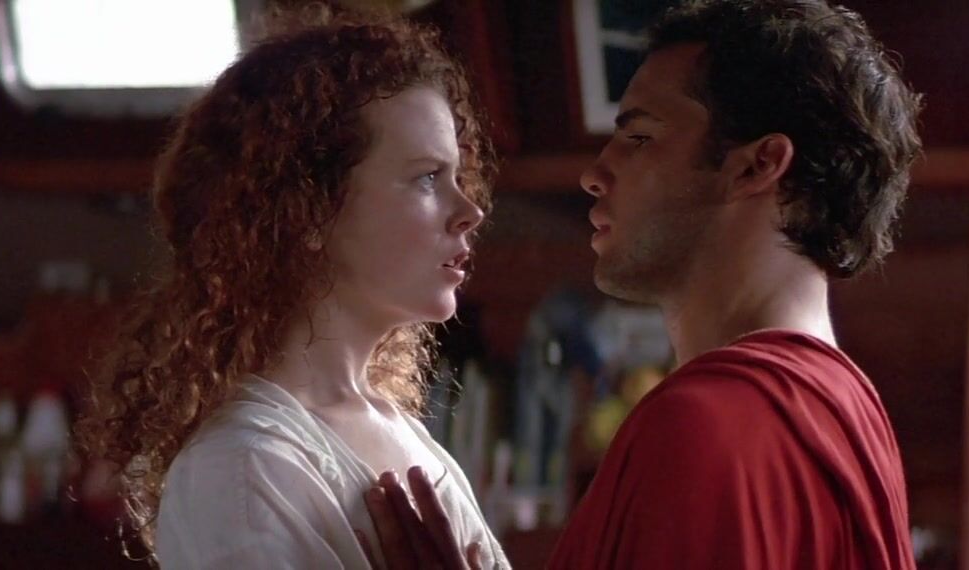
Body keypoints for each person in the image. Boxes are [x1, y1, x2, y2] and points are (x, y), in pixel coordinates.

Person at [362, 1, 923, 568]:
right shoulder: (854, 414)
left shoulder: (702, 422)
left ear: (757, 165)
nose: (593, 174)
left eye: (639, 137)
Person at [75, 5, 510, 569]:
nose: (470, 210)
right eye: (427, 177)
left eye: (456, 175)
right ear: (309, 211)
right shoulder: (242, 469)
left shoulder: (400, 431)